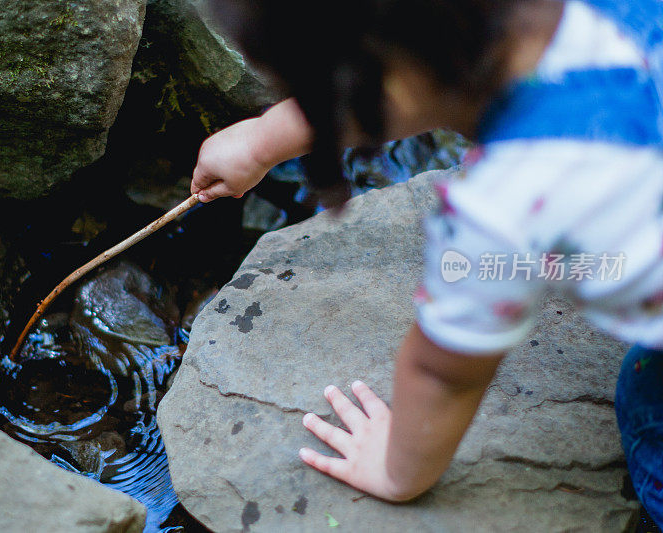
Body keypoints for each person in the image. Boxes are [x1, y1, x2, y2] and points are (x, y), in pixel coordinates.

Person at [190, 0, 663, 522]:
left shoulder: (505, 211)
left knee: (646, 408)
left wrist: (398, 473)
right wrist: (261, 142)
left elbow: (446, 374)